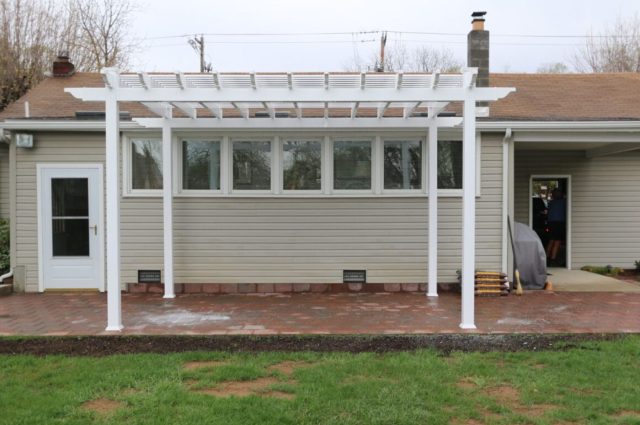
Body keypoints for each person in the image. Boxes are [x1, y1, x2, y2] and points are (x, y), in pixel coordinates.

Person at [546, 188, 566, 266]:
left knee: (551, 240)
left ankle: (546, 257)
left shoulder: (551, 202)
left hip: (551, 222)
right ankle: (553, 259)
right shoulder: (564, 202)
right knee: (557, 241)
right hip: (559, 223)